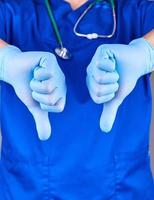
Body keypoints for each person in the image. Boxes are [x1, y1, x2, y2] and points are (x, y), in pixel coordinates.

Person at [0, 0, 154, 199]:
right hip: (26, 189)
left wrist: (145, 52)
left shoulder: (137, 7)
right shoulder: (13, 8)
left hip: (124, 190)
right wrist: (6, 59)